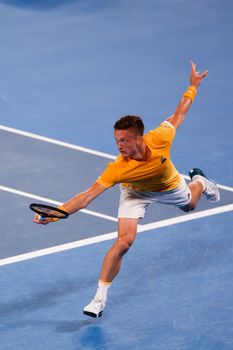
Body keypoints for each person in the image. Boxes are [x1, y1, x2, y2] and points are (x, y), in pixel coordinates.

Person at [34, 61, 220, 318]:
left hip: (168, 186)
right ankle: (98, 300)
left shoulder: (161, 138)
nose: (119, 145)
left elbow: (179, 115)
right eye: (116, 140)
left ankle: (199, 181)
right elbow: (87, 196)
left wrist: (192, 87)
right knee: (124, 243)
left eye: (124, 140)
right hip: (135, 192)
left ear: (139, 139)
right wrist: (57, 212)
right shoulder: (118, 168)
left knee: (189, 205)